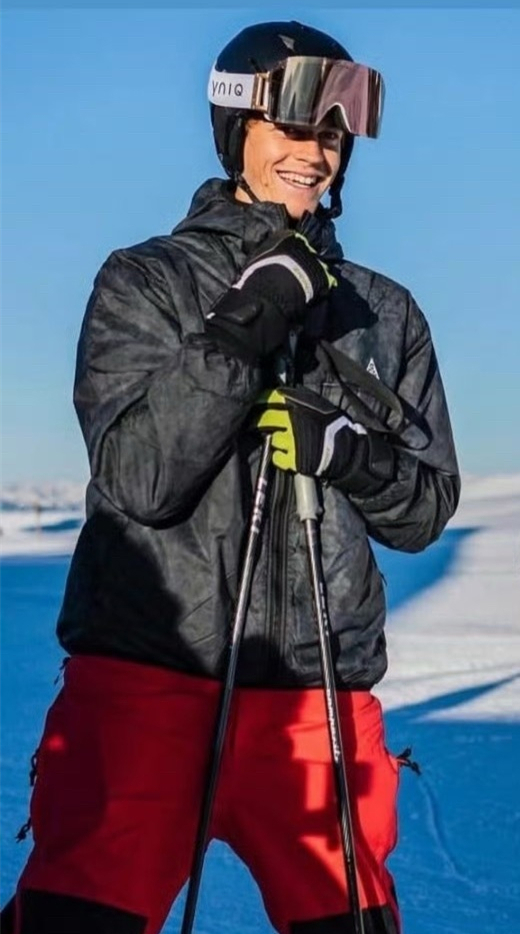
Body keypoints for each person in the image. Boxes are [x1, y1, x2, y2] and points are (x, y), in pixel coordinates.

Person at [10, 20, 460, 934]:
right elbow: (140, 478)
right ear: (235, 130)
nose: (314, 154)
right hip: (148, 687)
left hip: (318, 700)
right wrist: (247, 322)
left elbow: (424, 509)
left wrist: (349, 453)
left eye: (331, 135)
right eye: (292, 128)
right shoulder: (146, 282)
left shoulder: (384, 313)